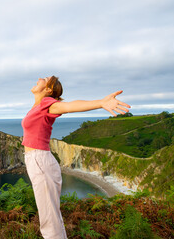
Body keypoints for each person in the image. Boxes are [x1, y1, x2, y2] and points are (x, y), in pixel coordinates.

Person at [21, 76, 131, 239]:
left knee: (49, 218)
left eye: (44, 78)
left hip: (40, 160)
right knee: (51, 215)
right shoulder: (37, 106)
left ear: (49, 90)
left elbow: (70, 106)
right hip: (38, 160)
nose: (39, 78)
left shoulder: (47, 104)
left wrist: (101, 102)